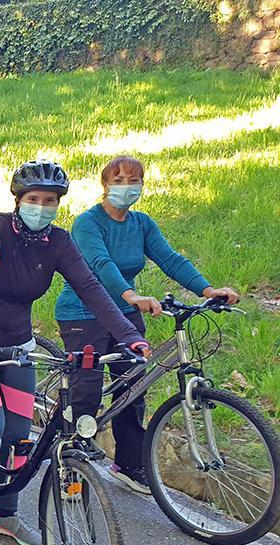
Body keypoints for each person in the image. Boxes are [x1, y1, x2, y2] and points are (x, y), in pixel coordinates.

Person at [0, 160, 149, 545]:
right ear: (18, 200)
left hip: (18, 345)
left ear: (58, 205)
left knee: (21, 433)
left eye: (50, 201)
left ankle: (7, 515)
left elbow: (90, 287)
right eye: (33, 199)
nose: (42, 206)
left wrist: (127, 335)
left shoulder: (58, 242)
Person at [55, 155, 239, 494]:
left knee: (133, 389)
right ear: (105, 184)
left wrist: (208, 289)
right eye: (119, 179)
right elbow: (100, 264)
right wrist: (130, 296)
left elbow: (170, 259)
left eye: (134, 180)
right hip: (83, 313)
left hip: (125, 314)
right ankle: (69, 457)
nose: (127, 186)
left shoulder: (142, 224)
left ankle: (128, 464)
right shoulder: (88, 223)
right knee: (87, 389)